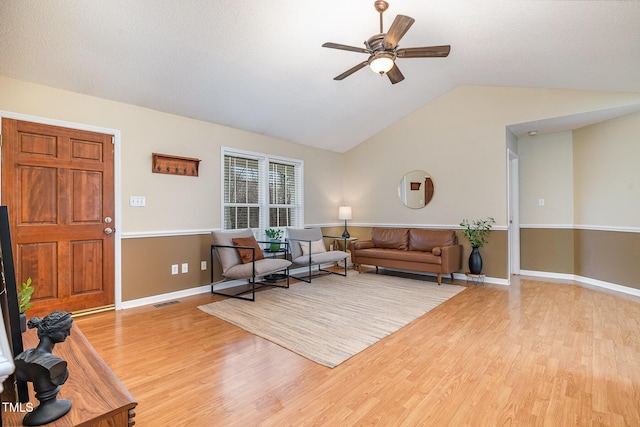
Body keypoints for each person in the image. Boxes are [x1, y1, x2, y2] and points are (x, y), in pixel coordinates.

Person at [14, 311, 73, 426]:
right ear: (52, 332)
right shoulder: (56, 364)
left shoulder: (22, 358)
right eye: (65, 330)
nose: (69, 333)